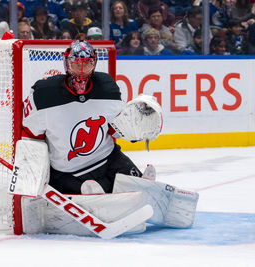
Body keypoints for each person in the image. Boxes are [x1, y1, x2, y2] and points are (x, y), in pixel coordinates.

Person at [16, 40, 198, 236]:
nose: (82, 69)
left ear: (94, 64)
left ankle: (138, 184)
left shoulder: (107, 88)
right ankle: (100, 194)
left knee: (126, 176)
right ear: (66, 63)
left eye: (87, 64)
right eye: (76, 63)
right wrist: (32, 174)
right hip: (68, 172)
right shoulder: (44, 94)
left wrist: (133, 130)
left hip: (109, 159)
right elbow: (30, 136)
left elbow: (113, 128)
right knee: (90, 190)